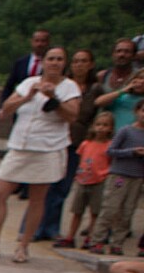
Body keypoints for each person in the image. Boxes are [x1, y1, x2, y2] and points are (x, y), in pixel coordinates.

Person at [0, 46, 80, 263]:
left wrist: (54, 98)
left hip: (47, 147)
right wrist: (29, 96)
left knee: (37, 198)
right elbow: (7, 108)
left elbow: (72, 116)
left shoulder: (70, 87)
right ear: (44, 62)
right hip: (21, 144)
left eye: (59, 59)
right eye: (51, 59)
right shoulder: (29, 82)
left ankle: (24, 245)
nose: (55, 63)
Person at [39, 49, 103, 240]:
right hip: (55, 137)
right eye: (75, 61)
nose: (79, 65)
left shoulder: (95, 88)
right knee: (45, 185)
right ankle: (37, 226)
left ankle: (51, 227)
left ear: (91, 64)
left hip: (79, 140)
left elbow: (97, 115)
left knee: (63, 188)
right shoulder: (62, 84)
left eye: (83, 61)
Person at [93, 103, 144, 256]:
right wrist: (132, 152)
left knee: (127, 212)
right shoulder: (126, 131)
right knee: (110, 209)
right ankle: (98, 240)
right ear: (137, 111)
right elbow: (110, 151)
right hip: (120, 175)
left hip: (138, 178)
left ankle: (117, 243)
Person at [67, 110, 116, 248]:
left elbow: (111, 163)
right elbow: (81, 159)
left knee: (95, 212)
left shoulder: (110, 145)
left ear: (111, 128)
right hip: (83, 180)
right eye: (98, 124)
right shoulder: (86, 143)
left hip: (99, 181)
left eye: (105, 125)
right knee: (77, 211)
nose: (101, 128)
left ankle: (90, 237)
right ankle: (70, 237)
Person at [92, 37, 143, 132]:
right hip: (104, 132)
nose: (122, 54)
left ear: (134, 55)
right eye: (118, 51)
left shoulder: (139, 77)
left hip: (133, 131)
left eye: (127, 52)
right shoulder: (102, 76)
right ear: (113, 54)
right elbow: (96, 103)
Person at [2, 28, 52, 110]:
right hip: (20, 105)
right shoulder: (20, 62)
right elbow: (9, 85)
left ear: (48, 43)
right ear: (32, 42)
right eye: (37, 41)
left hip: (42, 106)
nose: (39, 44)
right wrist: (3, 105)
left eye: (43, 41)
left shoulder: (53, 64)